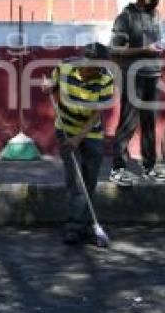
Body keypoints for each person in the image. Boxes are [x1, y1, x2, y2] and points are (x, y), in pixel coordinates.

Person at [44, 42, 115, 245]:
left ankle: (86, 225)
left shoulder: (106, 78)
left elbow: (97, 113)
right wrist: (48, 87)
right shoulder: (64, 67)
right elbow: (53, 86)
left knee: (89, 180)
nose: (96, 71)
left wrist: (78, 138)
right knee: (75, 181)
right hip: (66, 129)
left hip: (91, 132)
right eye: (93, 66)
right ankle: (74, 227)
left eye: (100, 67)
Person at [109, 0, 165, 185]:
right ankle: (118, 168)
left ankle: (150, 167)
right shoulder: (125, 18)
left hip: (153, 75)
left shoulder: (155, 15)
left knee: (149, 123)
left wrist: (157, 58)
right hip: (133, 77)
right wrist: (144, 50)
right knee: (128, 123)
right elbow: (115, 50)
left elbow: (156, 44)